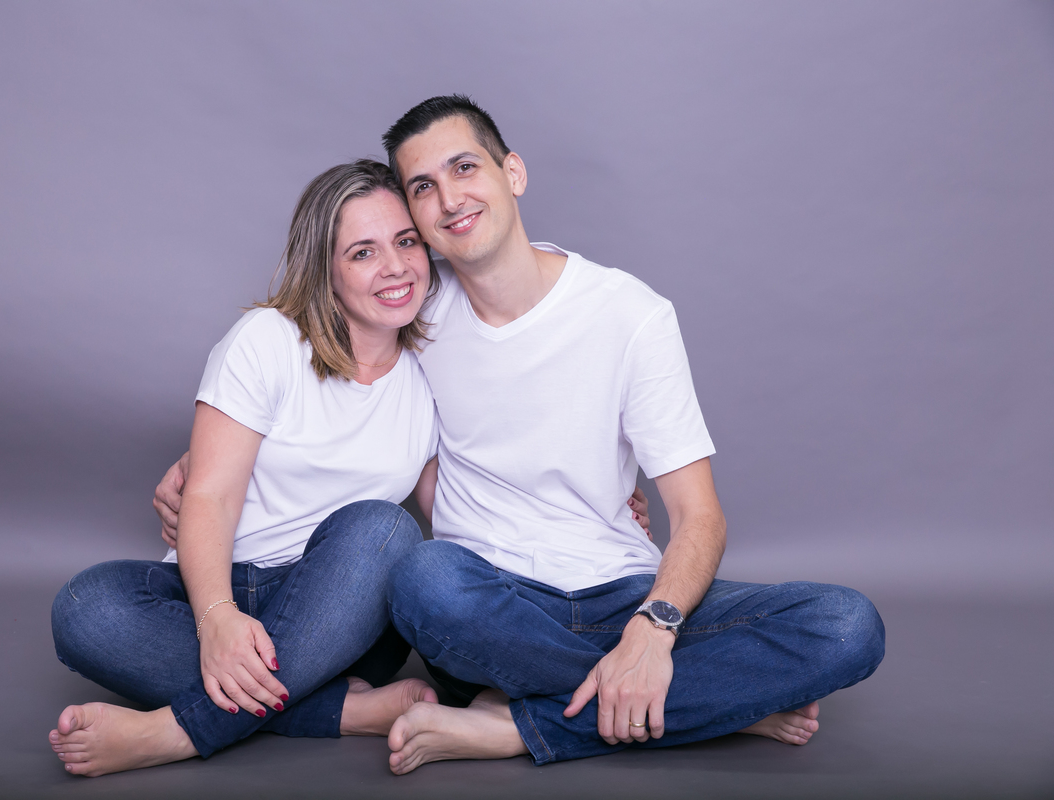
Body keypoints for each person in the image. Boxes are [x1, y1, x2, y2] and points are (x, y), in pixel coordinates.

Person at [160, 95, 885, 774]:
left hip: (622, 592)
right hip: (487, 605)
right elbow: (332, 386)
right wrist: (205, 463)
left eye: (464, 168)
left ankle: (519, 724)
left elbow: (700, 516)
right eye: (423, 187)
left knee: (846, 624)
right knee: (423, 576)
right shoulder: (414, 307)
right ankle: (709, 702)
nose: (449, 199)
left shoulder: (631, 315)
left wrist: (653, 628)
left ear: (513, 173)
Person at [48, 159, 446, 776]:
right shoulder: (267, 340)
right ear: (325, 268)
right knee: (85, 607)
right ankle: (337, 710)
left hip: (342, 614)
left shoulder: (435, 368)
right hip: (221, 588)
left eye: (406, 242)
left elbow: (457, 508)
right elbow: (209, 497)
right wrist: (217, 618)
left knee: (387, 530)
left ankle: (178, 731)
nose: (395, 266)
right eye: (363, 252)